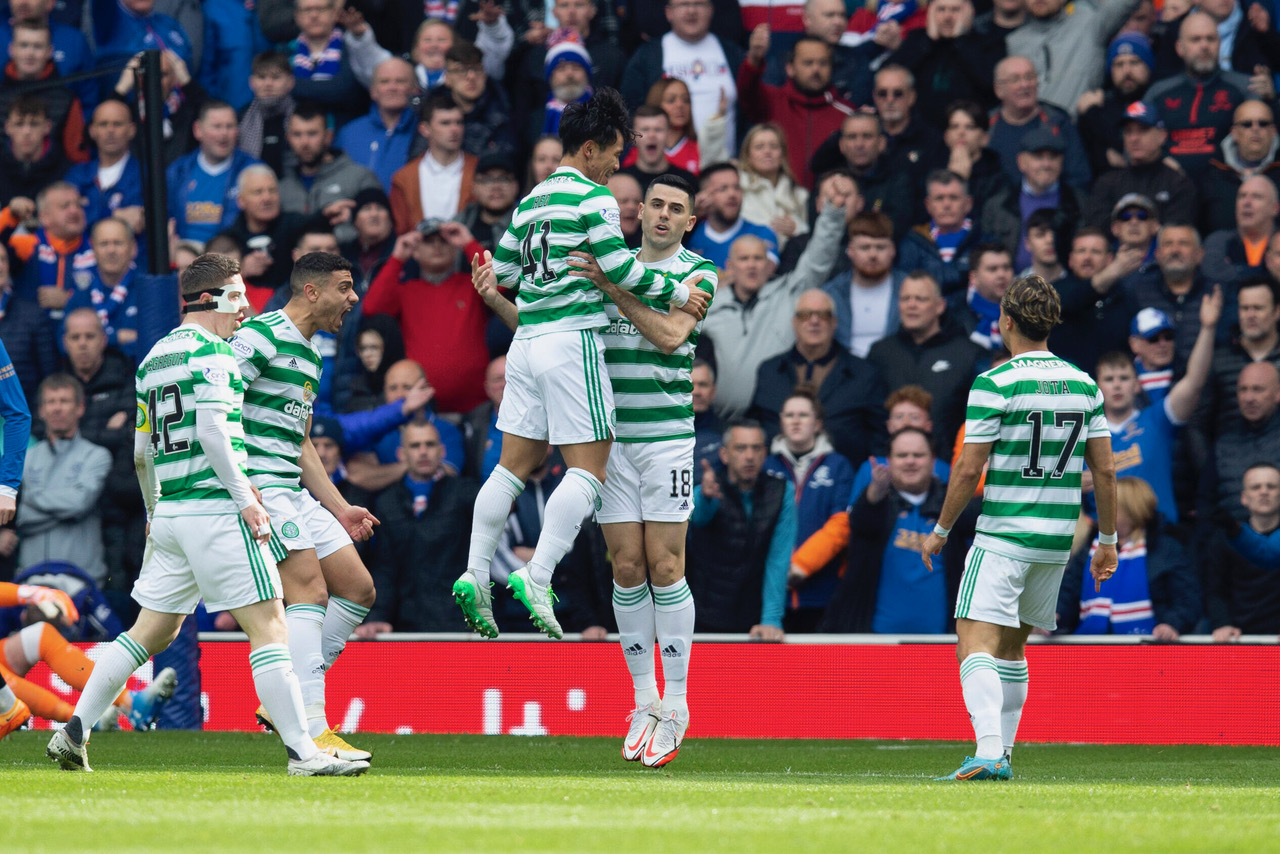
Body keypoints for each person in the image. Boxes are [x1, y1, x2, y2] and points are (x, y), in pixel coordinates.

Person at [46, 253, 368, 776]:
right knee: (270, 628)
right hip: (217, 510)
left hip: (171, 512)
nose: (245, 311)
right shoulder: (214, 356)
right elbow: (216, 433)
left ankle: (74, 730)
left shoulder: (153, 359)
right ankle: (304, 753)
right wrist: (246, 498)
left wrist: (154, 511)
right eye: (238, 298)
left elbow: (140, 452)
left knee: (147, 633)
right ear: (211, 298)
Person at [455, 88, 709, 641]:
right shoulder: (592, 198)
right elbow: (617, 268)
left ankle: (476, 573)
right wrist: (674, 291)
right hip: (571, 343)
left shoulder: (531, 200)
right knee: (589, 471)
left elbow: (502, 269)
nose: (618, 166)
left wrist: (502, 291)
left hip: (525, 344)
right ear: (591, 148)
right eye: (615, 153)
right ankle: (538, 575)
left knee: (510, 467)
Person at [921, 274, 1117, 781]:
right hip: (1055, 540)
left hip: (1004, 535)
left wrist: (941, 530)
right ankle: (1004, 754)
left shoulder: (995, 382)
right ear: (1051, 321)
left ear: (1006, 320)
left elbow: (968, 467)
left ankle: (988, 751)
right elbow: (1106, 471)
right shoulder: (1084, 384)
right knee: (1012, 649)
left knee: (974, 644)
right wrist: (1108, 541)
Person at [229, 251, 377, 762]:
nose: (353, 298)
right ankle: (312, 730)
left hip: (293, 486)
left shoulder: (313, 356)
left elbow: (302, 442)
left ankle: (282, 703)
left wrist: (339, 507)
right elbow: (219, 406)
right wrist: (241, 484)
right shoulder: (258, 337)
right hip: (261, 488)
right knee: (310, 590)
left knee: (358, 588)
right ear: (311, 291)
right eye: (344, 286)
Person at [701, 182, 851, 418]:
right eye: (744, 259)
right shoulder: (709, 306)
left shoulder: (790, 292)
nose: (751, 265)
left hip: (778, 418)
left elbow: (819, 256)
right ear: (729, 267)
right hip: (724, 420)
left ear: (770, 265)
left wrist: (833, 212)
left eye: (758, 259)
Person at [1095, 285, 1221, 524]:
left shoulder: (1156, 419)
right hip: (1110, 541)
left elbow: (1194, 381)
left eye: (1123, 379)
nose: (1117, 386)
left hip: (1161, 535)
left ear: (1136, 385)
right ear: (1096, 388)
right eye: (1109, 380)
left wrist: (1207, 328)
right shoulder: (1087, 437)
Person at [817, 426, 957, 633]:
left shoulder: (953, 508)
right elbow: (861, 522)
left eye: (918, 455)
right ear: (889, 461)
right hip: (876, 642)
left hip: (942, 644)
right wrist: (874, 494)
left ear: (933, 460)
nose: (910, 461)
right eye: (902, 455)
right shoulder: (877, 503)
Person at [363, 219, 492, 415]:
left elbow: (499, 286)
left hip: (476, 407)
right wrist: (398, 257)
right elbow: (372, 308)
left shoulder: (472, 284)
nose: (437, 246)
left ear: (455, 248)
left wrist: (467, 241)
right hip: (420, 407)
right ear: (415, 251)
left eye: (444, 241)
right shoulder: (405, 291)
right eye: (428, 242)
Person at [363, 421, 481, 633]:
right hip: (405, 624)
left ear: (442, 451)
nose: (423, 452)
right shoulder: (386, 502)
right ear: (401, 454)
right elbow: (383, 567)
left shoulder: (467, 494)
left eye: (430, 444)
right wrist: (377, 616)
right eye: (415, 446)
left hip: (460, 622)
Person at [749, 289, 887, 466]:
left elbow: (879, 435)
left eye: (823, 315)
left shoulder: (864, 374)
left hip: (844, 479)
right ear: (794, 323)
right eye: (805, 315)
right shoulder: (769, 371)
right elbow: (755, 425)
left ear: (834, 323)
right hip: (775, 480)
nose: (814, 321)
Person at [688, 419, 795, 638]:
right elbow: (697, 521)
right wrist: (706, 498)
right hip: (702, 616)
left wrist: (771, 619)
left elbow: (778, 559)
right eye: (741, 448)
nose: (749, 456)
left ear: (765, 453)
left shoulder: (782, 491)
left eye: (755, 448)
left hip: (753, 619)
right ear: (724, 455)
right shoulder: (709, 487)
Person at [1057, 477, 1200, 638]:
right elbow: (1068, 592)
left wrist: (1171, 624)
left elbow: (1187, 600)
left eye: (1107, 505)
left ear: (1132, 509)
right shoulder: (1090, 549)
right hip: (1091, 647)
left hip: (1150, 647)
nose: (1099, 510)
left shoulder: (1167, 549)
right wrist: (1056, 616)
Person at [763, 387, 854, 632]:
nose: (795, 421)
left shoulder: (838, 465)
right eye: (789, 415)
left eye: (803, 415)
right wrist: (779, 571)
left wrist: (801, 567)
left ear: (818, 423)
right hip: (771, 592)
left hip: (821, 591)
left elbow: (841, 524)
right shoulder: (765, 464)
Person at [867, 272, 988, 450]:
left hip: (950, 463)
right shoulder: (880, 352)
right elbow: (871, 417)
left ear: (939, 306)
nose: (911, 305)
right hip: (891, 465)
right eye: (905, 298)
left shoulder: (970, 354)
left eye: (920, 299)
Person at [16, 374, 111, 582]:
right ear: (41, 410)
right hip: (30, 578)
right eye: (51, 402)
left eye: (64, 401)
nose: (57, 408)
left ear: (80, 408)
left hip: (81, 580)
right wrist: (64, 510)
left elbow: (79, 503)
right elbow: (18, 516)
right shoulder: (26, 458)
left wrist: (31, 498)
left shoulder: (97, 456)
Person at [619, 0, 745, 154]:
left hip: (722, 165)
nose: (691, 11)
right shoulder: (647, 55)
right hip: (665, 166)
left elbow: (750, 111)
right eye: (684, 4)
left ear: (711, 10)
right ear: (669, 12)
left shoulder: (733, 53)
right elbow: (628, 110)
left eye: (699, 4)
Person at [737, 28, 857, 189]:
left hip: (827, 205)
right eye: (808, 63)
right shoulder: (772, 101)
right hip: (779, 205)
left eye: (823, 63)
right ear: (790, 68)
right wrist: (754, 59)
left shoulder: (848, 114)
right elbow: (747, 91)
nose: (816, 69)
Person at [1147, 12, 1253, 180]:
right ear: (1179, 48)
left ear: (1219, 44)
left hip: (1227, 184)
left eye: (1210, 39)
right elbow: (1138, 141)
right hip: (1168, 185)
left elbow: (1260, 141)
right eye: (1196, 39)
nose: (1204, 46)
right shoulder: (1158, 92)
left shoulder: (1244, 87)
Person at [1006, 0, 1142, 117]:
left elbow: (1126, 3)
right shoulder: (1014, 42)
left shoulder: (1090, 23)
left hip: (1081, 133)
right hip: (1032, 138)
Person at [1083, 100, 1198, 230]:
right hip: (1116, 250)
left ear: (1162, 136)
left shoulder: (1178, 183)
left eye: (1143, 130)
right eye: (1128, 131)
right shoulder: (1107, 183)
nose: (1134, 138)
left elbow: (1176, 236)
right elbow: (1097, 232)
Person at [277, 105, 382, 246]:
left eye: (312, 133)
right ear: (288, 138)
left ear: (328, 136)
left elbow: (379, 232)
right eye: (297, 134)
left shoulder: (360, 178)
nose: (304, 142)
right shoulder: (281, 188)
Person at [986, 56, 1091, 190]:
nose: (1024, 85)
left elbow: (1078, 178)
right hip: (996, 208)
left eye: (1029, 77)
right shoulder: (985, 126)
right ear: (998, 89)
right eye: (1015, 79)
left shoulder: (1058, 121)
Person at [166, 99, 260, 246]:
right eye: (217, 127)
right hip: (184, 256)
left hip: (231, 256)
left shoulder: (253, 171)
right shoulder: (177, 171)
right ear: (198, 130)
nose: (224, 134)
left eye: (230, 126)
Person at [1206, 462, 1280, 639]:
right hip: (1238, 636)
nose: (1264, 492)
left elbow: (1266, 552)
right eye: (1256, 487)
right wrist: (1222, 623)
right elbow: (1214, 588)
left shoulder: (1232, 532)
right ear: (1243, 497)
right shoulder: (1222, 538)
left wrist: (1234, 529)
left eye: (1271, 486)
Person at [390, 91, 477, 234]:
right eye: (445, 123)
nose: (454, 129)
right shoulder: (404, 178)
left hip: (467, 255)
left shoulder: (477, 170)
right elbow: (401, 231)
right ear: (425, 129)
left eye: (459, 122)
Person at [821, 210, 905, 354]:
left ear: (893, 250)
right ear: (850, 251)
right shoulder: (831, 294)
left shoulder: (908, 290)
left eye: (880, 247)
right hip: (845, 372)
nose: (873, 255)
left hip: (895, 371)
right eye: (865, 247)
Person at [1077, 32, 1156, 177]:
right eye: (1119, 64)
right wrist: (1091, 113)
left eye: (1134, 62)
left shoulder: (1160, 100)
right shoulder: (1099, 105)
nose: (1127, 71)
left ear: (1148, 67)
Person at [335, 57, 418, 193]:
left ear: (414, 89)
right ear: (373, 91)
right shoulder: (349, 133)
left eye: (400, 81)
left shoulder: (425, 131)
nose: (392, 87)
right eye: (384, 82)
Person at [65, 99, 145, 237]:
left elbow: (137, 222)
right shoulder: (76, 175)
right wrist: (114, 214)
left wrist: (89, 210)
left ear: (132, 130)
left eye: (117, 124)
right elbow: (64, 220)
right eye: (103, 124)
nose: (110, 130)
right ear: (92, 131)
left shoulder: (146, 175)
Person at [1201, 100, 1280, 235]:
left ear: (1273, 132)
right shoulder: (1212, 174)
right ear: (1234, 133)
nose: (1255, 129)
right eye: (1247, 124)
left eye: (1263, 123)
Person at [897, 169, 980, 294]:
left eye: (953, 197)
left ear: (968, 203)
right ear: (928, 205)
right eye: (939, 198)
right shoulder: (912, 244)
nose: (946, 204)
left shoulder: (984, 242)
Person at [687, 162, 779, 273]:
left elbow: (762, 274)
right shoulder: (688, 236)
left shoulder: (761, 233)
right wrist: (690, 211)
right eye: (723, 189)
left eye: (737, 187)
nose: (732, 194)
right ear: (704, 197)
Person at [1202, 175, 1279, 286]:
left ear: (1275, 208)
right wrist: (1266, 273)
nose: (1246, 203)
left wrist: (1235, 270)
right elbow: (1212, 274)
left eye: (1257, 197)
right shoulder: (1218, 240)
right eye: (1242, 196)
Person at [237, 51, 296, 177]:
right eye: (262, 77)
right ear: (251, 82)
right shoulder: (241, 117)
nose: (268, 84)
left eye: (275, 77)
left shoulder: (300, 116)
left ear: (290, 82)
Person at [618, 105, 698, 198]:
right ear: (633, 136)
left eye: (658, 130)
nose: (652, 135)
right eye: (645, 129)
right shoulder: (619, 180)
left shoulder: (686, 181)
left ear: (668, 134)